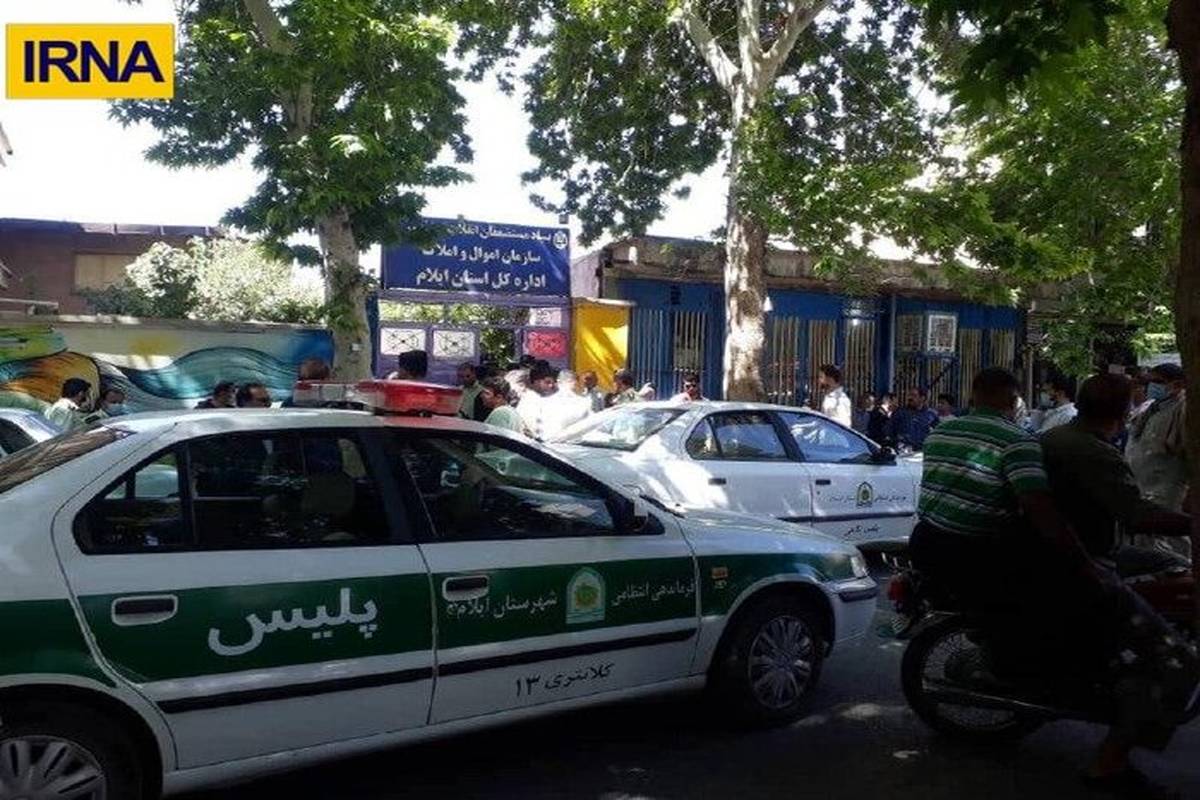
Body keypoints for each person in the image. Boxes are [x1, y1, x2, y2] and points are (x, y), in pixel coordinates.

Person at [914, 368, 1198, 799]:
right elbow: (1051, 513)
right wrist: (1089, 568)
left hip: (957, 545)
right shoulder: (1034, 444)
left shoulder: (1015, 436)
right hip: (1061, 561)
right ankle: (1109, 763)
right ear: (1125, 412)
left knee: (1165, 563)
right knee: (1175, 659)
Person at [1042, 373, 1192, 575]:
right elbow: (1135, 514)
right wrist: (1191, 524)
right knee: (1177, 566)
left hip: (1067, 545)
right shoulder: (1096, 452)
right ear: (1123, 413)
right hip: (1087, 554)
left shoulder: (1056, 436)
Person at [516, 361, 559, 440]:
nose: (551, 385)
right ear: (536, 382)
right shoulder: (528, 401)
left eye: (553, 382)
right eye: (547, 382)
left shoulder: (545, 399)